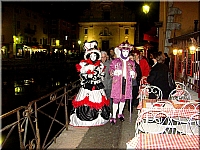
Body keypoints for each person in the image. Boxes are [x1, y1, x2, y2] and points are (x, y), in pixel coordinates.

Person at [69, 40, 110, 127]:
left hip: (97, 86)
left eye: (95, 55)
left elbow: (101, 75)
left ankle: (99, 118)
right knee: (86, 101)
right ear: (89, 56)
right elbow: (82, 75)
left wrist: (99, 75)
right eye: (91, 55)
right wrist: (88, 76)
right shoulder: (84, 65)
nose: (93, 57)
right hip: (88, 87)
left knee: (100, 101)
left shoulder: (100, 65)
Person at [109, 41, 137, 125]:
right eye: (124, 51)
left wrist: (133, 74)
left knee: (123, 99)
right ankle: (113, 116)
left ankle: (120, 113)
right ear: (121, 52)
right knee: (116, 99)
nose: (125, 53)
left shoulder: (131, 62)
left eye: (127, 52)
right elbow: (110, 70)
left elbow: (134, 72)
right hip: (118, 83)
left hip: (127, 82)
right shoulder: (115, 61)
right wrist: (114, 72)